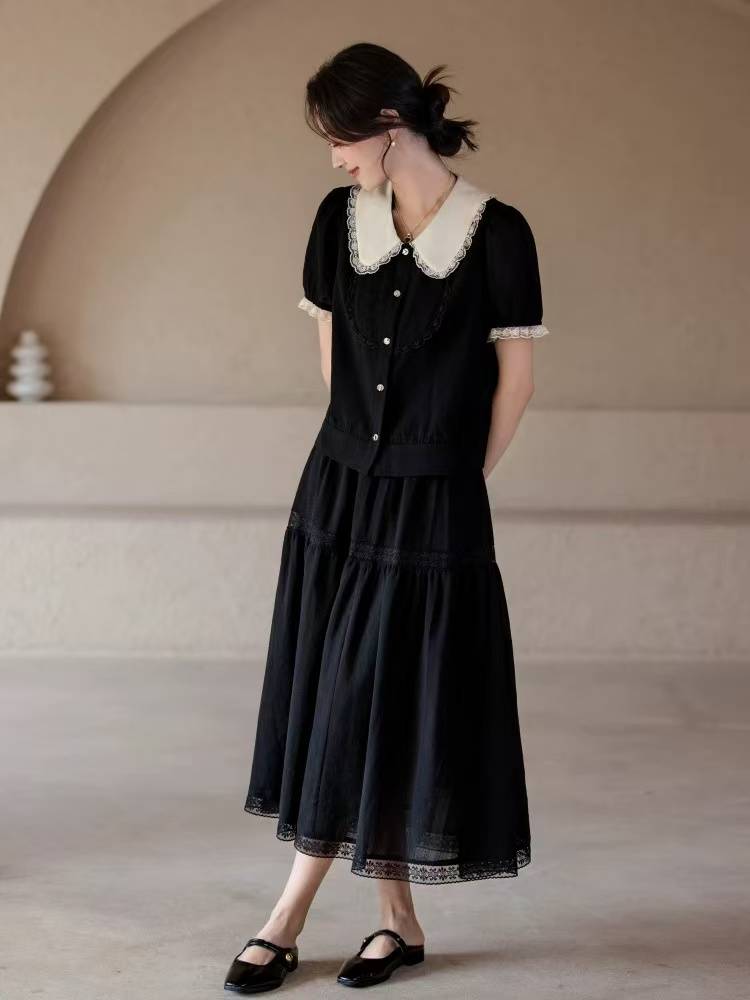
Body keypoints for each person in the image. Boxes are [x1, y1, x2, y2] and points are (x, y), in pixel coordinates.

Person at [224, 41, 551, 994]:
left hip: (434, 499)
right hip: (339, 491)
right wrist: (363, 454)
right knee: (358, 692)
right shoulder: (339, 223)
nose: (334, 158)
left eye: (340, 139)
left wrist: (452, 476)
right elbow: (334, 356)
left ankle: (285, 918)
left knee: (374, 691)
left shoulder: (498, 232)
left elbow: (517, 383)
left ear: (391, 126)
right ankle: (398, 922)